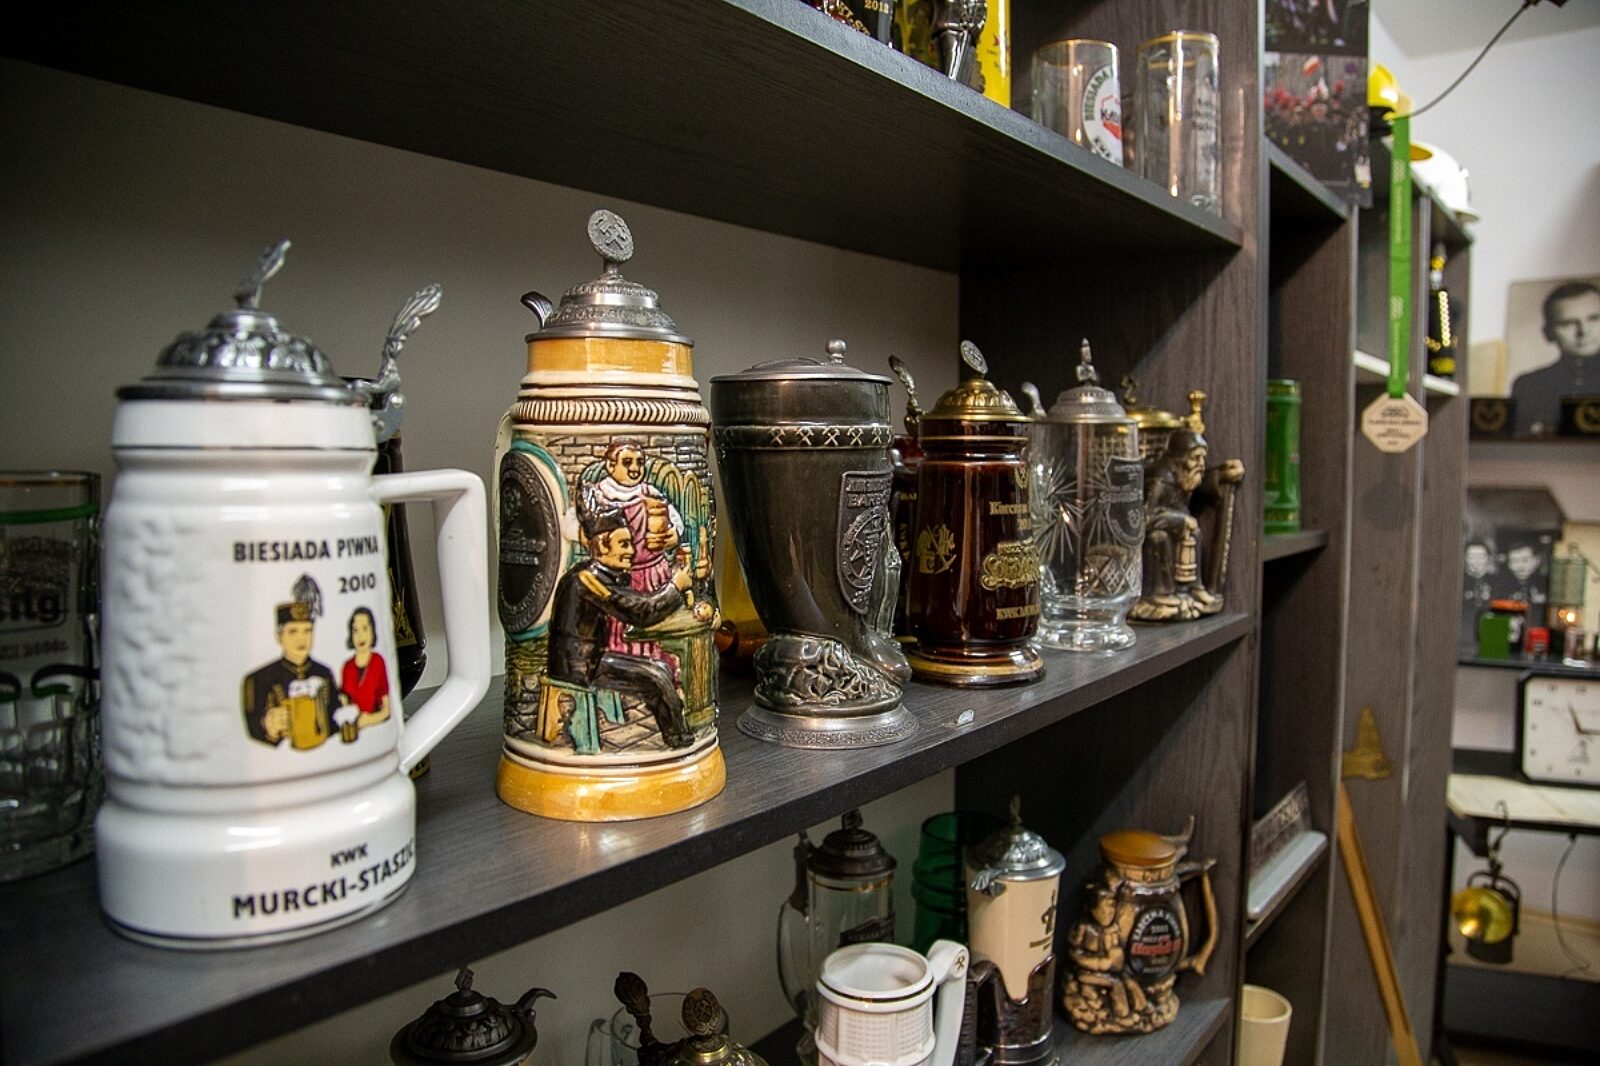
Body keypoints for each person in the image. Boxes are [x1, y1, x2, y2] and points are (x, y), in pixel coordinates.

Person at [545, 508, 695, 750]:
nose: (632, 551)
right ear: (602, 547)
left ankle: (677, 736)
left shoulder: (596, 575)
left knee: (659, 669)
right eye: (624, 544)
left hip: (588, 659)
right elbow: (640, 611)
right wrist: (674, 588)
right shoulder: (588, 580)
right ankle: (680, 741)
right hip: (579, 666)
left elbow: (631, 603)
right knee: (656, 676)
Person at [583, 440, 684, 663]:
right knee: (620, 620)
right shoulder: (600, 495)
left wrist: (672, 535)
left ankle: (652, 659)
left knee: (653, 620)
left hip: (652, 571)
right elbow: (577, 528)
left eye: (639, 462)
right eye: (627, 462)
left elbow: (676, 523)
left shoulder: (650, 493)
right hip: (619, 574)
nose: (635, 468)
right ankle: (621, 660)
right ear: (610, 466)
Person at [241, 576, 354, 749]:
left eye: (307, 631)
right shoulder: (258, 679)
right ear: (280, 636)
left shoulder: (323, 673)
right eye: (293, 631)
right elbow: (251, 730)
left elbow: (334, 718)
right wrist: (268, 725)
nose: (302, 639)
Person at [1512, 280, 1600, 436]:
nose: (1583, 331)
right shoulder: (1530, 385)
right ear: (1548, 333)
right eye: (1568, 323)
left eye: (1594, 319)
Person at [339, 606, 392, 726]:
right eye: (355, 630)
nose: (360, 636)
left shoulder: (378, 662)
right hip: (352, 728)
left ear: (372, 631)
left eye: (365, 628)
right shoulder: (347, 667)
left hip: (376, 728)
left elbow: (386, 710)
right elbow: (344, 700)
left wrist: (369, 719)